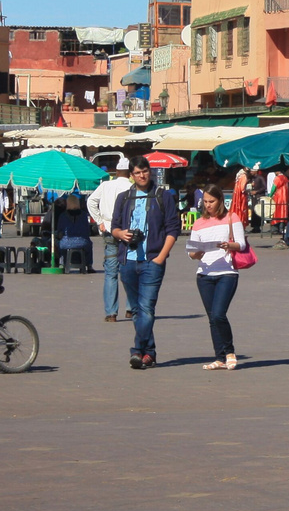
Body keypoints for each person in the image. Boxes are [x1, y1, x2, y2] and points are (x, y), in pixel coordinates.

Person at [109, 156, 179, 369]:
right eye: (138, 172)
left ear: (151, 172)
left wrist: (160, 257)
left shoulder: (163, 196)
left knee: (147, 308)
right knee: (138, 311)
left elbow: (173, 229)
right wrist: (121, 234)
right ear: (131, 175)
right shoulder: (123, 198)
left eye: (145, 171)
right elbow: (114, 227)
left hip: (152, 261)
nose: (142, 175)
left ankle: (137, 351)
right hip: (128, 261)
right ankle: (149, 353)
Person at [185, 183, 247, 370]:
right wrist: (195, 254)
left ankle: (229, 351)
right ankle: (219, 357)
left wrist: (230, 245)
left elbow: (241, 244)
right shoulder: (199, 223)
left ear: (220, 200)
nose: (208, 205)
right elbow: (192, 251)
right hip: (204, 274)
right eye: (205, 201)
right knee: (212, 318)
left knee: (219, 314)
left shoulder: (231, 217)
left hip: (226, 272)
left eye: (211, 201)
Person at [87, 167, 137, 323]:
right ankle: (131, 309)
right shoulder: (132, 187)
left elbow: (91, 201)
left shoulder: (105, 186)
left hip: (109, 230)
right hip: (128, 231)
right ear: (130, 173)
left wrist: (99, 221)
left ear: (116, 172)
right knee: (130, 270)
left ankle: (111, 313)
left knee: (111, 273)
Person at [55, 194, 93, 271]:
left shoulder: (63, 215)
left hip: (66, 242)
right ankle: (89, 265)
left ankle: (62, 263)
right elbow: (87, 230)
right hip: (83, 242)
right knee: (90, 244)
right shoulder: (83, 215)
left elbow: (60, 231)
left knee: (57, 243)